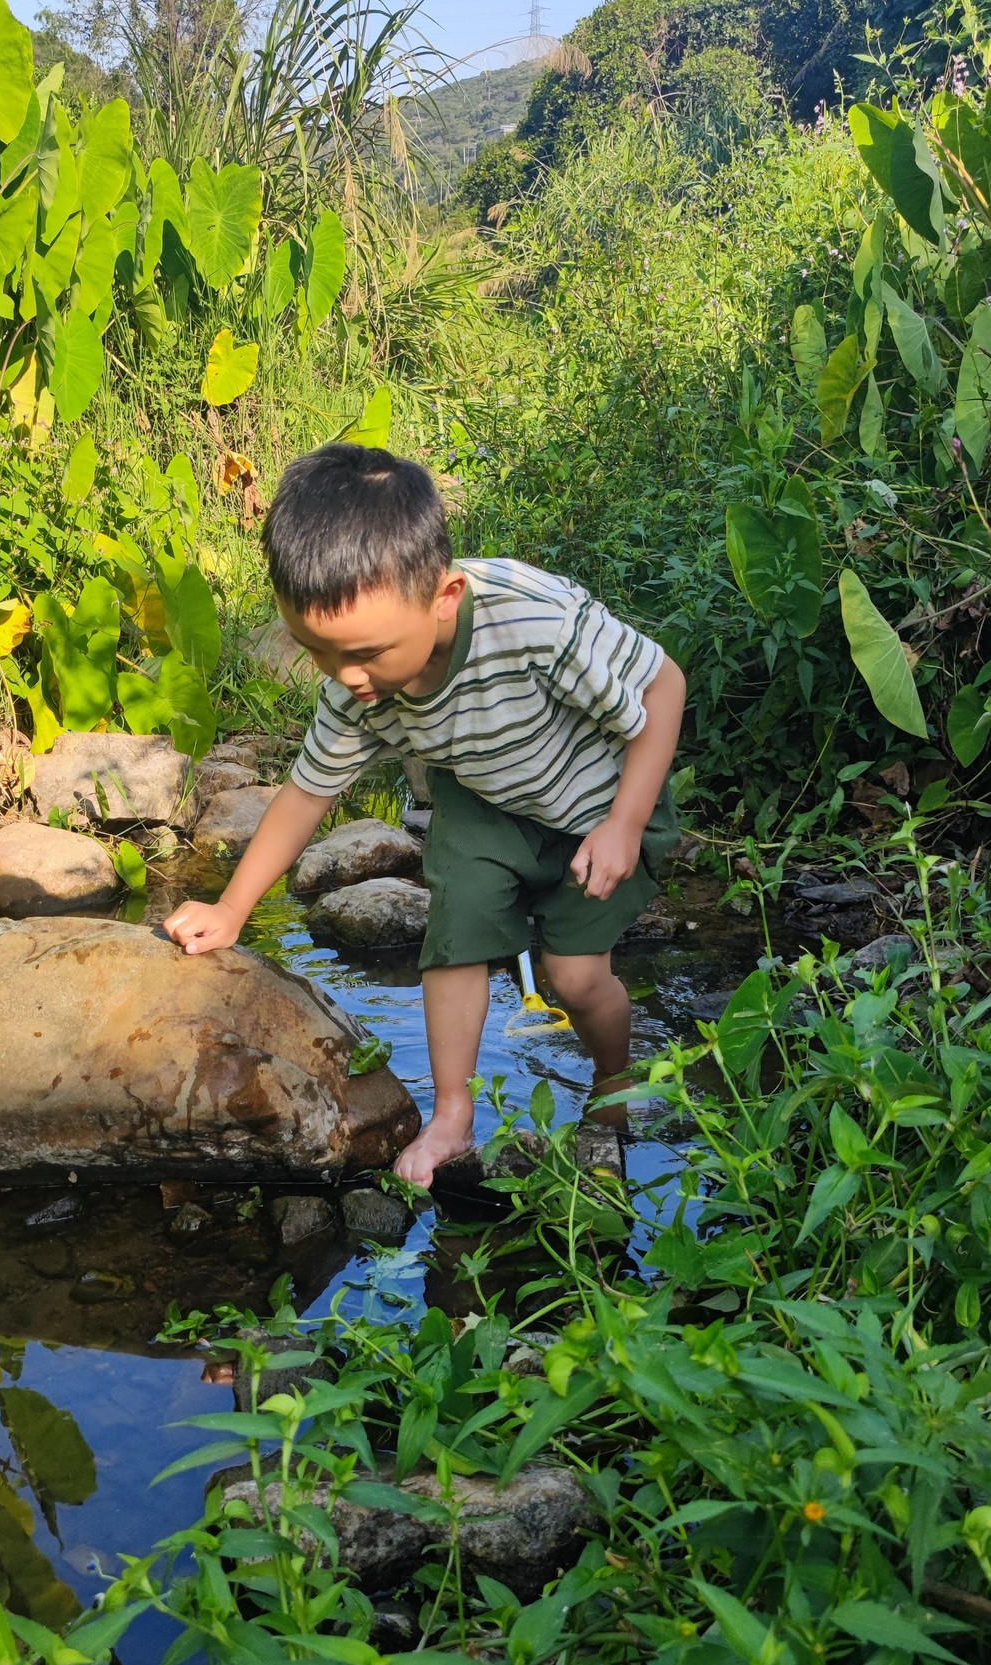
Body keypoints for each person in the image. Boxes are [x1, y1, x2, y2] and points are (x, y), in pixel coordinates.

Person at [164, 444, 686, 1187]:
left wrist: (626, 823)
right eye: (317, 651)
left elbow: (664, 690)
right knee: (456, 937)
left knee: (573, 976)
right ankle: (451, 1115)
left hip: (603, 794)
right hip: (485, 798)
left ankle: (611, 1083)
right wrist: (232, 906)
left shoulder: (534, 621)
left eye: (367, 653)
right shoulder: (356, 684)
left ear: (444, 598)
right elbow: (307, 795)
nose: (346, 677)